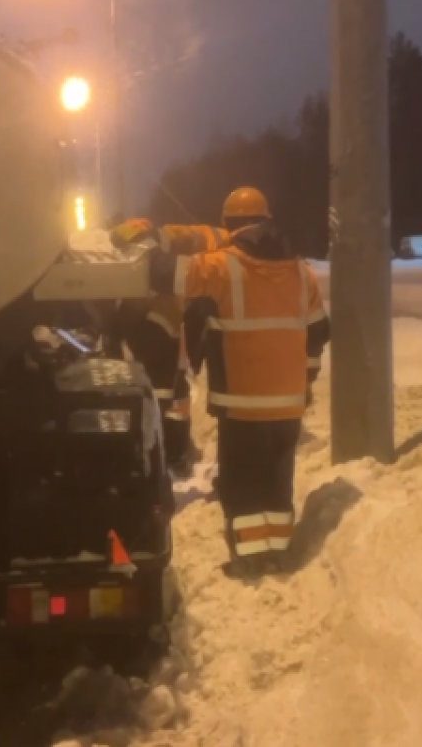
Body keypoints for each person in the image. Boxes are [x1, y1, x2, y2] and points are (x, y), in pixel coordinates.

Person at [148, 187, 331, 577]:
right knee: (276, 481)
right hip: (288, 404)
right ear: (267, 220)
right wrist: (306, 374)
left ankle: (249, 559)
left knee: (241, 483)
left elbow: (165, 273)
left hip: (243, 402)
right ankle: (276, 552)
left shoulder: (222, 266)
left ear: (229, 226)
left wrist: (149, 238)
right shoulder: (302, 271)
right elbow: (319, 331)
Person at [107, 216, 226, 473]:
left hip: (153, 320)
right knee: (166, 390)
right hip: (159, 320)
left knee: (166, 390)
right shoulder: (204, 247)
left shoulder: (143, 243)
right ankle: (169, 453)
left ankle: (166, 452)